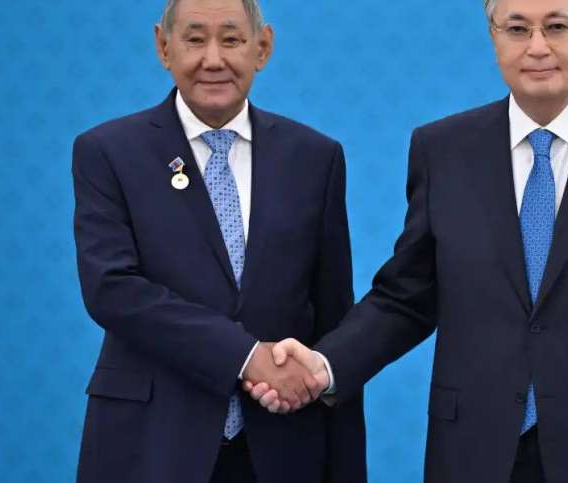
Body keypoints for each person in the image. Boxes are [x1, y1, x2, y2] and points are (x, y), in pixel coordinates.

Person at [248, 0, 568, 482]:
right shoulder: (443, 151)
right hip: (475, 454)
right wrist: (324, 364)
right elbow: (406, 298)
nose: (537, 46)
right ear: (494, 36)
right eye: (517, 28)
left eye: (556, 26)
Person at [71, 0, 365, 481]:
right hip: (152, 445)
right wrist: (245, 357)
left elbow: (332, 317)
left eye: (231, 40)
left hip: (284, 447)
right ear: (163, 47)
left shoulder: (314, 158)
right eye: (194, 39)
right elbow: (112, 288)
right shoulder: (109, 152)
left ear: (262, 47)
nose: (213, 59)